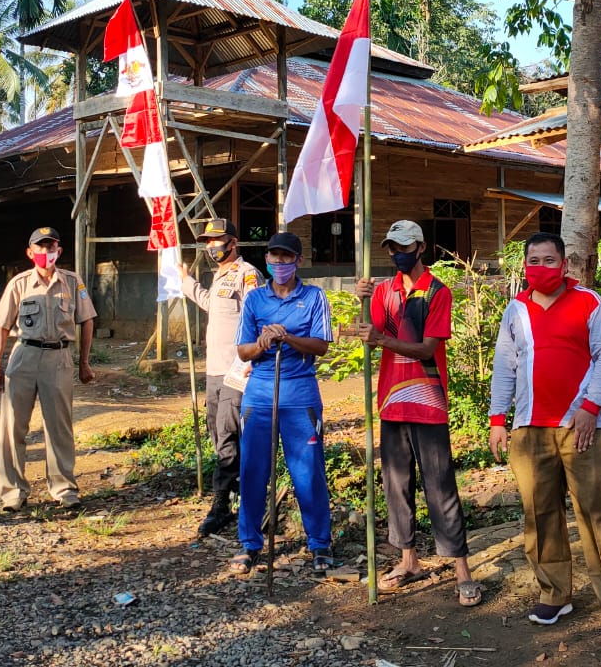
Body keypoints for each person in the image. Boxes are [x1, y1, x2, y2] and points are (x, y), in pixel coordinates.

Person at [488, 232, 601, 643]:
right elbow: (505, 366)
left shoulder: (588, 302)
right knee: (539, 515)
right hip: (529, 429)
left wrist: (590, 408)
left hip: (582, 429)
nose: (541, 267)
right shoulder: (516, 309)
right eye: (533, 260)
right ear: (525, 266)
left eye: (548, 259)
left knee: (599, 515)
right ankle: (555, 592)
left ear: (564, 263)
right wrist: (497, 419)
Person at [355, 220, 482, 607]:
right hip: (392, 401)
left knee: (440, 484)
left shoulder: (437, 292)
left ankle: (462, 569)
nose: (397, 254)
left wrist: (381, 339)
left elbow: (427, 348)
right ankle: (408, 560)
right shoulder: (384, 291)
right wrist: (364, 302)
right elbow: (372, 336)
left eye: (404, 246)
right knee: (396, 485)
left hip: (428, 401)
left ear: (421, 247)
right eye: (392, 247)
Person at [233, 231, 334, 574]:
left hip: (300, 393)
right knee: (252, 471)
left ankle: (320, 544)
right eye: (274, 257)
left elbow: (322, 345)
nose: (279, 263)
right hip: (259, 393)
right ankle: (249, 544)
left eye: (286, 258)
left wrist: (287, 337)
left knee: (308, 472)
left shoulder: (315, 297)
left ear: (298, 261)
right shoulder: (255, 301)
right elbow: (243, 350)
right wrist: (263, 342)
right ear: (266, 260)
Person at [0, 227, 97, 511]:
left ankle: (64, 490)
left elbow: (86, 320)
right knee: (13, 426)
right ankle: (13, 493)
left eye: (51, 248)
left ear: (59, 251)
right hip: (24, 355)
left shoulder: (73, 283)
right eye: (40, 248)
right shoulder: (19, 283)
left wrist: (84, 362)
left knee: (59, 427)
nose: (46, 253)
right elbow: (0, 326)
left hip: (58, 358)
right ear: (30, 253)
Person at [178, 218, 263, 537]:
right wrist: (187, 282)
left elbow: (257, 314)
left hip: (236, 370)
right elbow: (211, 306)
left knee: (227, 433)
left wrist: (254, 358)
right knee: (217, 431)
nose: (212, 245)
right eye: (208, 241)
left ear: (233, 242)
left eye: (218, 239)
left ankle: (221, 504)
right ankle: (242, 490)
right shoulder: (218, 277)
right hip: (213, 369)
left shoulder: (247, 274)